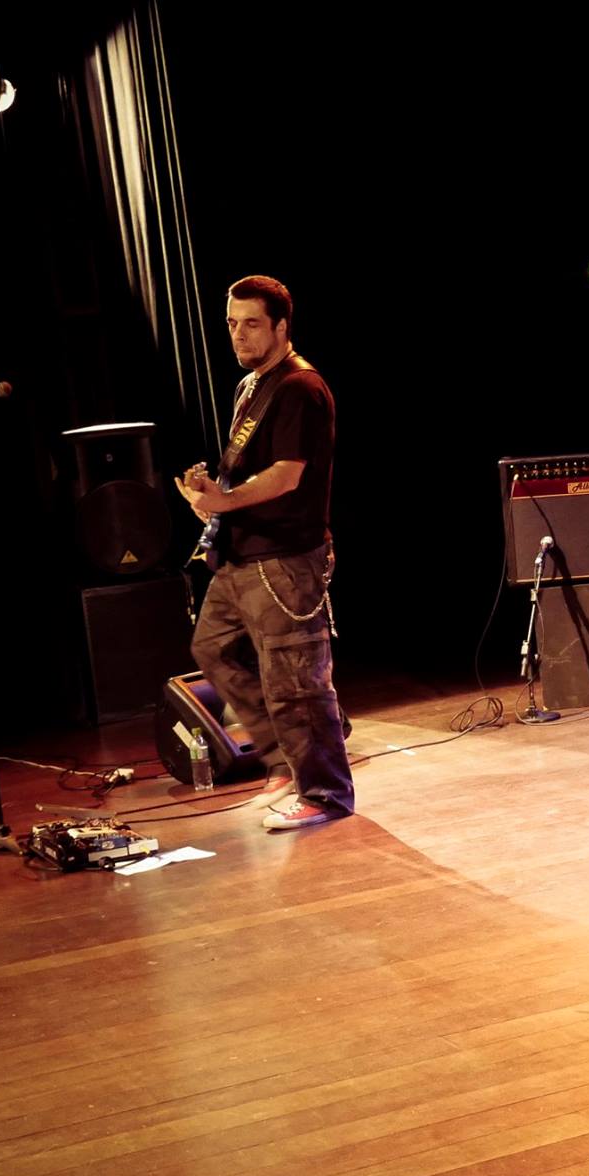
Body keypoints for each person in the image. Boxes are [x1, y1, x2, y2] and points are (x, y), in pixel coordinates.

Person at [180, 274, 354, 831]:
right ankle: (285, 757)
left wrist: (226, 501)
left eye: (252, 324)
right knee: (212, 648)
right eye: (232, 324)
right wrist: (211, 498)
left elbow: (285, 475)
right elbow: (249, 472)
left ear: (281, 326)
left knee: (294, 683)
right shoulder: (250, 386)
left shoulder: (300, 387)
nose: (238, 334)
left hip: (283, 558)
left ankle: (324, 793)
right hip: (242, 555)